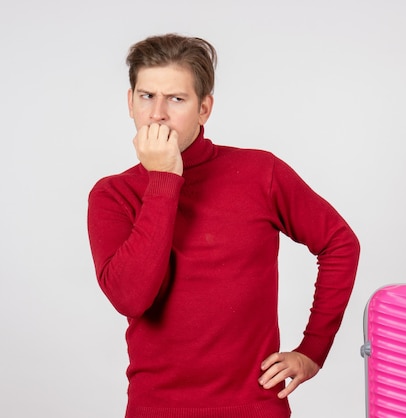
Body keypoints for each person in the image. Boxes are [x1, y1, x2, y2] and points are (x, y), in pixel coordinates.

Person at [86, 33, 360, 418]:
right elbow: (131, 298)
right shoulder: (113, 194)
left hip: (254, 406)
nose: (158, 113)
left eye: (176, 99)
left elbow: (339, 242)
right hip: (156, 408)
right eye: (147, 96)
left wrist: (313, 350)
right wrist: (164, 180)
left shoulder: (260, 172)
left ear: (204, 108)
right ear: (130, 102)